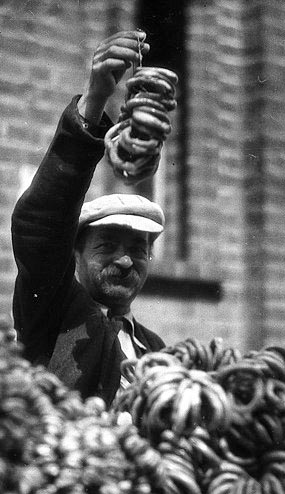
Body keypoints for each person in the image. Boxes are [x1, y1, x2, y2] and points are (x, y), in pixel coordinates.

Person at [11, 30, 166, 408]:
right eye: (108, 245)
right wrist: (96, 101)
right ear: (76, 253)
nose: (126, 260)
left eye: (138, 249)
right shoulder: (51, 311)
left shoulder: (155, 349)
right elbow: (42, 224)